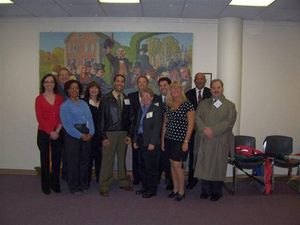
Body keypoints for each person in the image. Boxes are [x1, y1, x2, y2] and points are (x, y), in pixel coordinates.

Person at [194, 79, 237, 202]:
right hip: (205, 140)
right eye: (213, 88)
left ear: (222, 89)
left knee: (218, 166)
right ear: (210, 89)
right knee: (204, 165)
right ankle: (205, 191)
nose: (216, 90)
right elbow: (197, 118)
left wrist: (213, 130)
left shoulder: (230, 105)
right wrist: (204, 130)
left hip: (220, 140)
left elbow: (229, 122)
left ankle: (216, 192)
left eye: (218, 87)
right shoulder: (203, 103)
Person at [99, 74, 134, 197]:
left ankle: (123, 182)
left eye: (122, 81)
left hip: (123, 133)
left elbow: (131, 118)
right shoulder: (106, 99)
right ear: (114, 83)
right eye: (117, 81)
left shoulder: (126, 98)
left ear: (124, 84)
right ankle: (104, 185)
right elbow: (101, 119)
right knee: (107, 161)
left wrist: (129, 134)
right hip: (110, 133)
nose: (119, 83)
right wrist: (103, 137)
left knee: (122, 159)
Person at [60, 80, 94, 196]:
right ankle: (74, 186)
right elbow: (67, 125)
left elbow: (90, 119)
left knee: (84, 161)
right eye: (72, 88)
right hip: (72, 135)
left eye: (76, 88)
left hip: (86, 132)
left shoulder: (84, 103)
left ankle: (84, 185)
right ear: (68, 90)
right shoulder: (65, 106)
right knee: (73, 162)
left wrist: (91, 133)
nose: (74, 90)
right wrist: (80, 136)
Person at [161, 81, 195, 201]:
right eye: (173, 88)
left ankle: (181, 191)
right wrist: (162, 141)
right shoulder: (168, 104)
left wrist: (186, 142)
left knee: (177, 165)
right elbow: (165, 123)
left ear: (181, 90)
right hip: (169, 139)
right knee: (172, 164)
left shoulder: (187, 105)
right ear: (170, 90)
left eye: (177, 88)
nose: (175, 90)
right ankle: (175, 189)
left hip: (180, 140)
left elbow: (191, 125)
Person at [35, 74, 64, 195]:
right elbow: (40, 118)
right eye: (46, 82)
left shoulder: (59, 98)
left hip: (58, 132)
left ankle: (55, 184)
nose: (49, 84)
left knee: (57, 160)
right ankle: (45, 186)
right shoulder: (39, 99)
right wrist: (50, 132)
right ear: (43, 84)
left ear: (54, 84)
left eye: (51, 82)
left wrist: (56, 131)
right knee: (45, 159)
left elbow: (62, 116)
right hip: (44, 133)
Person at [133, 87, 162, 198]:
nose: (145, 98)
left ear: (151, 97)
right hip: (141, 141)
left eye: (147, 96)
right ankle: (145, 187)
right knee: (142, 166)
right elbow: (137, 126)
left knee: (151, 167)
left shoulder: (155, 109)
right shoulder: (140, 110)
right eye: (143, 96)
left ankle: (152, 189)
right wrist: (135, 140)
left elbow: (157, 127)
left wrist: (153, 142)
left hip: (150, 143)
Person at [184, 73, 212, 190]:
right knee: (193, 156)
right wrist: (193, 125)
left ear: (205, 81)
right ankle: (192, 179)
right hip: (192, 130)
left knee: (206, 155)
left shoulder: (211, 94)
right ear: (194, 81)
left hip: (206, 131)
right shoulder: (188, 94)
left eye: (202, 79)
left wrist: (203, 127)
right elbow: (185, 112)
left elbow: (213, 113)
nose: (199, 81)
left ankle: (207, 180)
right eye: (197, 79)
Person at [128, 75, 150, 185]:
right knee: (136, 156)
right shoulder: (130, 96)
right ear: (137, 84)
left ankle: (147, 178)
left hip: (148, 134)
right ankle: (137, 177)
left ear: (147, 84)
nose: (142, 84)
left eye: (144, 82)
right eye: (139, 82)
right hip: (136, 131)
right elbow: (129, 116)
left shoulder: (154, 97)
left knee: (146, 157)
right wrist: (131, 133)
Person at [155, 77, 173, 190]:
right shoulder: (155, 99)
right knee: (157, 158)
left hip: (171, 134)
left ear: (169, 86)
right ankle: (156, 180)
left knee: (169, 159)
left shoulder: (174, 99)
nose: (163, 87)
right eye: (161, 85)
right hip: (157, 134)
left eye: (165, 85)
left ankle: (170, 181)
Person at [83, 81, 102, 185]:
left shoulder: (102, 101)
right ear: (88, 90)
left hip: (100, 134)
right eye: (91, 88)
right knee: (88, 158)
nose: (94, 90)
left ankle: (100, 179)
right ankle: (86, 180)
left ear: (98, 90)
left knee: (100, 158)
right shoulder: (83, 102)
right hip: (89, 134)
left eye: (96, 88)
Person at [57, 68, 71, 181]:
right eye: (62, 75)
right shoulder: (56, 89)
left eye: (66, 75)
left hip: (70, 125)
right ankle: (56, 175)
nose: (64, 77)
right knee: (59, 151)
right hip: (58, 124)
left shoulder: (73, 88)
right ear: (58, 77)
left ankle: (66, 174)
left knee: (68, 151)